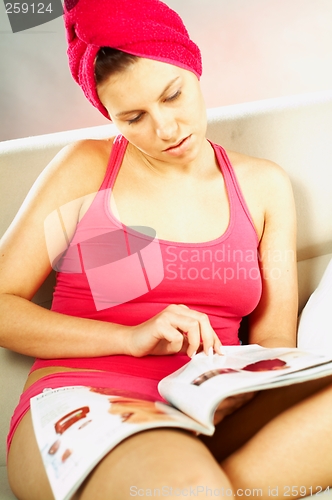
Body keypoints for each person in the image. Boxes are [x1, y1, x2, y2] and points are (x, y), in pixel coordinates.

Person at [1, 0, 332, 498]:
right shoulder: (88, 168)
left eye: (173, 95)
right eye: (133, 117)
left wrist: (241, 386)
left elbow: (274, 341)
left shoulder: (263, 186)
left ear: (192, 68)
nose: (166, 130)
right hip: (92, 397)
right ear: (109, 115)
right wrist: (131, 338)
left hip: (214, 404)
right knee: (184, 488)